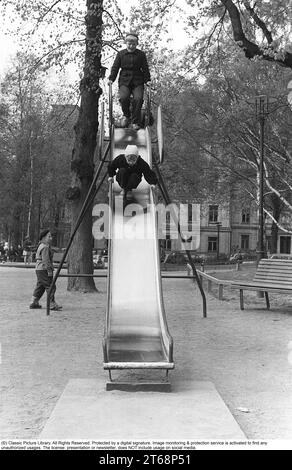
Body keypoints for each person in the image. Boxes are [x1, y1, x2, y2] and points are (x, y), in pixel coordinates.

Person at [108, 31, 151, 130]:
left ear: (136, 44)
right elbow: (115, 67)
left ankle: (135, 122)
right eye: (129, 44)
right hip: (125, 80)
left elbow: (145, 68)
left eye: (133, 44)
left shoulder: (141, 55)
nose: (131, 46)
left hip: (137, 81)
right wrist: (111, 79)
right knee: (124, 97)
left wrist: (147, 80)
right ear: (126, 43)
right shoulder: (121, 54)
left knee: (138, 98)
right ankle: (126, 116)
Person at [29, 229, 62, 311]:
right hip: (44, 269)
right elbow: (46, 260)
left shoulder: (41, 245)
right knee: (51, 286)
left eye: (51, 236)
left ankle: (34, 302)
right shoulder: (45, 247)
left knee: (40, 286)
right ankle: (51, 304)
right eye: (49, 236)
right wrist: (49, 270)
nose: (51, 238)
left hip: (39, 269)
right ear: (43, 238)